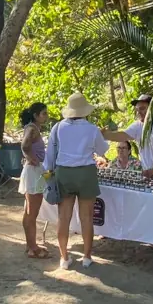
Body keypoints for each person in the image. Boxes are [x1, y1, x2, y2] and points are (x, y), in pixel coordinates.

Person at [45, 93, 108, 270]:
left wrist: (49, 175)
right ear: (85, 111)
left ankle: (64, 258)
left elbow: (50, 155)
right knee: (87, 217)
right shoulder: (92, 128)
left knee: (63, 218)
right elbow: (103, 149)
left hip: (64, 173)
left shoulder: (57, 127)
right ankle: (87, 257)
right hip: (86, 173)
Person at [18, 102, 49, 259]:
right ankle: (33, 248)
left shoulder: (32, 128)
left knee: (28, 211)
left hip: (32, 171)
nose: (46, 116)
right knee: (32, 212)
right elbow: (24, 146)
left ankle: (30, 244)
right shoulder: (32, 128)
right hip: (33, 171)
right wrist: (32, 159)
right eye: (43, 113)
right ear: (36, 115)